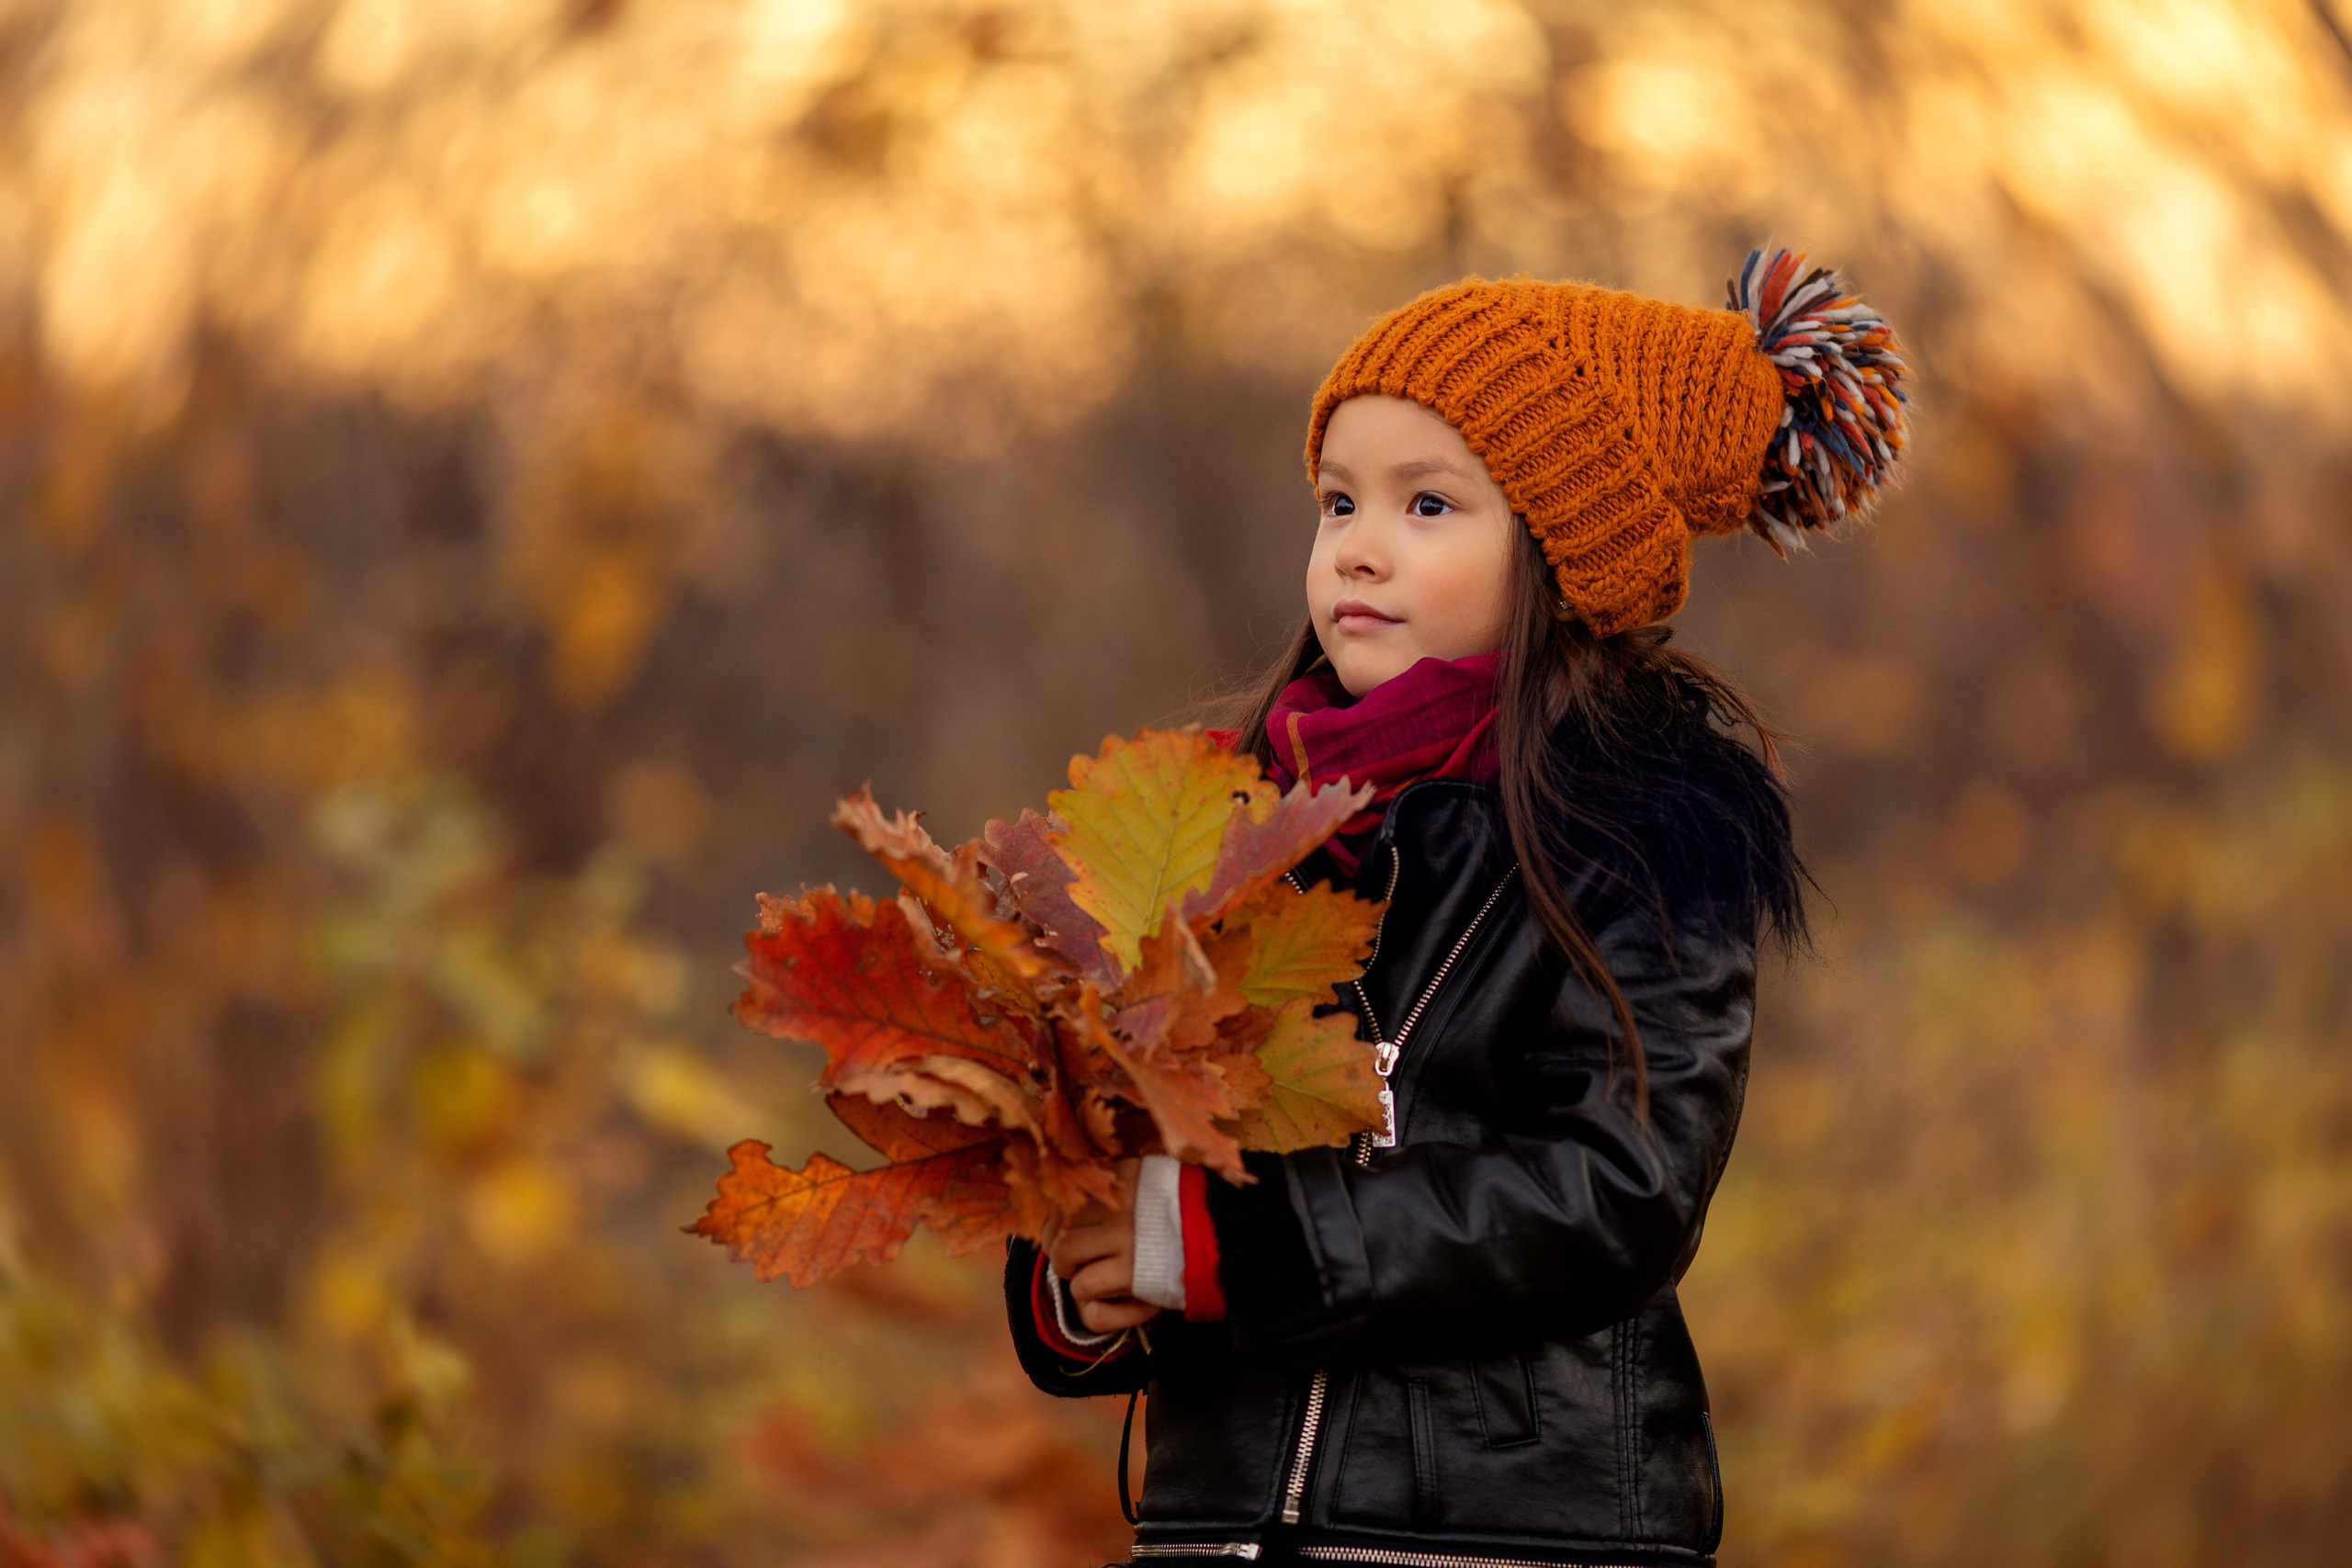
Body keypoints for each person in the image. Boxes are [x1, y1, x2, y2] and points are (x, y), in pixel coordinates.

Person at [1005, 249, 1908, 1568]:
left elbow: (1619, 1189)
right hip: (1223, 1530)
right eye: (1336, 501)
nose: (1358, 548)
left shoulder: (1634, 831)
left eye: (1429, 506)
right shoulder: (1229, 821)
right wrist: (1093, 1273)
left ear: (1560, 548)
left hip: (1505, 1536)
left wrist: (1234, 1251)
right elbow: (1145, 1150)